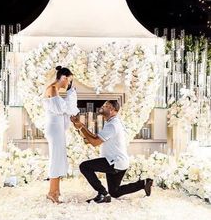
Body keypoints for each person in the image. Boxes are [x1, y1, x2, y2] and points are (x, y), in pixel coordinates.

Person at [70, 100, 153, 204]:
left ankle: (103, 193)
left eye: (106, 106)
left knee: (84, 166)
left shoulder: (112, 125)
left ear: (113, 110)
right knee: (115, 192)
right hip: (120, 162)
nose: (102, 106)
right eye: (104, 105)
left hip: (114, 162)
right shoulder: (112, 123)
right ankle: (143, 183)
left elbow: (95, 142)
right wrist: (80, 126)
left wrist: (81, 127)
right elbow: (94, 137)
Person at [43, 66, 79, 204]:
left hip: (58, 128)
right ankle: (52, 192)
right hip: (53, 128)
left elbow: (66, 108)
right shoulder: (52, 89)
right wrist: (68, 102)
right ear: (63, 78)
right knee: (55, 158)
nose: (69, 84)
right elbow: (60, 109)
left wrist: (69, 100)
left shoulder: (58, 90)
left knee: (59, 157)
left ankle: (56, 191)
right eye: (68, 81)